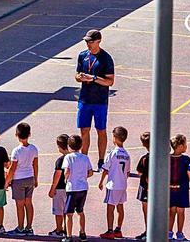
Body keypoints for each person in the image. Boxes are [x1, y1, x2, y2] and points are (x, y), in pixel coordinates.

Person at [75, 29, 116, 168]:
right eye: (86, 41)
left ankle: (100, 160)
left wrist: (93, 78)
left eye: (90, 41)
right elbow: (76, 75)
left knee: (101, 130)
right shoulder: (82, 56)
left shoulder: (106, 58)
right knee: (84, 130)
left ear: (98, 41)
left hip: (100, 100)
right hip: (84, 99)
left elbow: (110, 81)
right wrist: (80, 77)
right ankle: (84, 159)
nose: (88, 44)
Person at [98, 126, 131, 239]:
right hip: (122, 185)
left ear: (115, 138)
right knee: (120, 207)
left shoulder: (112, 153)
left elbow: (106, 169)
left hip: (113, 185)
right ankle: (118, 229)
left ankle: (110, 230)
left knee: (110, 208)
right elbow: (127, 172)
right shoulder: (126, 155)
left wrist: (101, 181)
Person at [7, 122, 40, 236]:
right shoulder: (34, 149)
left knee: (20, 205)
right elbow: (35, 165)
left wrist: (7, 181)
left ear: (16, 135)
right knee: (29, 203)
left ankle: (20, 228)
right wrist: (36, 178)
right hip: (30, 177)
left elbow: (12, 168)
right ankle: (29, 227)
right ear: (29, 134)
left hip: (18, 180)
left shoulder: (16, 151)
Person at [62, 134, 95, 242]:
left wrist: (66, 179)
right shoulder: (85, 157)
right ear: (81, 146)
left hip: (72, 188)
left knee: (69, 214)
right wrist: (83, 177)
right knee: (80, 211)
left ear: (69, 146)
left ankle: (69, 236)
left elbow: (66, 171)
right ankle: (82, 232)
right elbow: (90, 172)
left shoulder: (68, 157)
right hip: (83, 187)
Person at [171, 134, 190, 241]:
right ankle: (178, 233)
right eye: (185, 144)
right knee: (180, 212)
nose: (186, 146)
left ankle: (170, 233)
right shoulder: (186, 159)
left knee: (172, 211)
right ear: (180, 146)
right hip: (181, 190)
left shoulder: (168, 158)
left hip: (172, 190)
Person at [50, 134, 71, 239]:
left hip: (60, 188)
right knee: (66, 210)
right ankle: (66, 228)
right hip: (71, 188)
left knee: (58, 211)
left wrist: (52, 188)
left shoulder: (60, 160)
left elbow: (57, 175)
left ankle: (59, 229)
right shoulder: (73, 158)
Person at [137, 131, 152, 242]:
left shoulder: (144, 159)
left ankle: (149, 231)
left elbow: (140, 172)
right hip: (157, 188)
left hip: (145, 187)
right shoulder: (160, 157)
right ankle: (151, 230)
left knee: (146, 210)